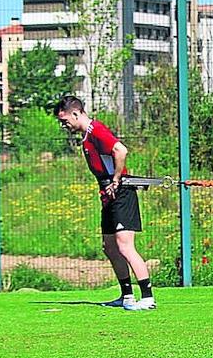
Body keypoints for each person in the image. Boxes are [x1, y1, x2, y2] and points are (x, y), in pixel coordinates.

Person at [53, 96, 155, 311]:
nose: (64, 125)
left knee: (125, 246)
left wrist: (116, 179)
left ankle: (147, 298)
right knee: (109, 247)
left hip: (121, 192)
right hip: (108, 194)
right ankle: (126, 296)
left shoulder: (96, 130)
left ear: (76, 113)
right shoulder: (87, 136)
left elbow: (121, 150)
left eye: (64, 120)